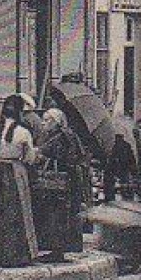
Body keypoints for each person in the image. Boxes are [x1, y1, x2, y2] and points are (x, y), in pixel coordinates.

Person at [0, 94, 38, 267]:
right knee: (17, 213)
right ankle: (15, 253)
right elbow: (30, 158)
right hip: (15, 173)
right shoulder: (23, 133)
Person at [33, 108, 90, 263]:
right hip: (67, 182)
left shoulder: (62, 137)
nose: (43, 123)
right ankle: (58, 249)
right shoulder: (64, 134)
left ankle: (57, 251)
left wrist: (41, 153)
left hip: (62, 183)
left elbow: (58, 155)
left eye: (47, 120)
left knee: (58, 216)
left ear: (56, 122)